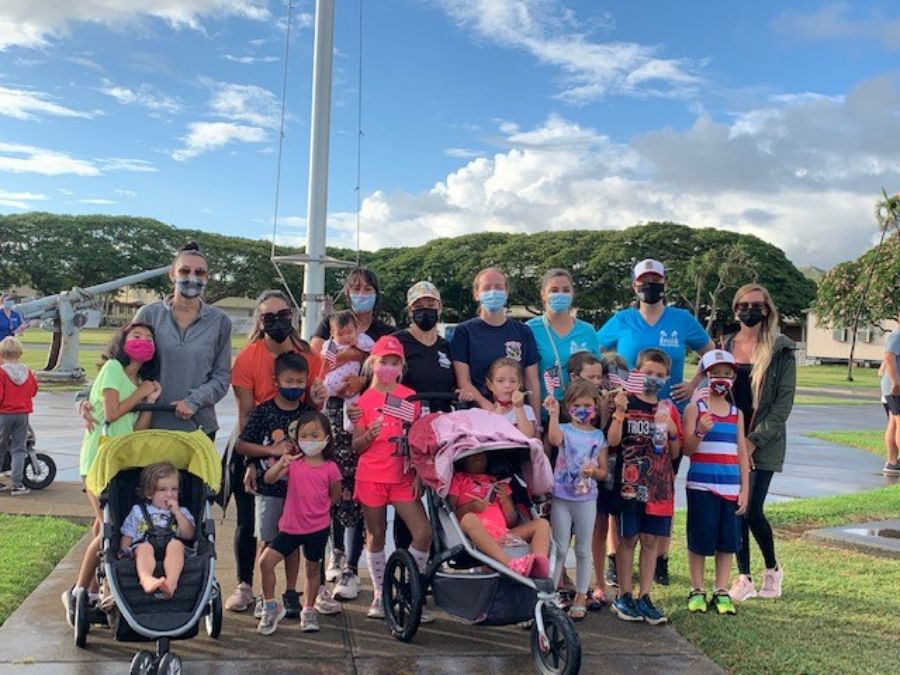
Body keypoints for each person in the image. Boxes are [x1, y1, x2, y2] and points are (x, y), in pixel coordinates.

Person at [597, 258, 714, 586]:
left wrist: (693, 384)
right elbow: (597, 350)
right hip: (631, 413)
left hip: (667, 415)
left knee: (663, 489)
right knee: (623, 487)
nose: (650, 286)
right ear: (635, 285)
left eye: (656, 280)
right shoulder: (623, 319)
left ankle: (660, 557)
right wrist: (612, 386)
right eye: (643, 280)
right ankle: (613, 556)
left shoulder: (682, 319)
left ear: (665, 283)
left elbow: (710, 353)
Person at [229, 289, 326, 614]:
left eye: (283, 315)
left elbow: (313, 409)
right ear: (260, 321)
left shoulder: (310, 358)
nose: (277, 322)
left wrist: (319, 397)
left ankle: (302, 590)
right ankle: (246, 586)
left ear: (294, 317)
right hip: (256, 442)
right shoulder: (248, 357)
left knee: (302, 521)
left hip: (299, 450)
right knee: (251, 522)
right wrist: (252, 460)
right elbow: (245, 415)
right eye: (269, 317)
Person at [62, 324, 161, 623]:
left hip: (123, 459)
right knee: (109, 528)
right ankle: (79, 592)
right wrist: (142, 393)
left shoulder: (142, 379)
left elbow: (137, 432)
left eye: (148, 338)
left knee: (101, 524)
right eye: (136, 336)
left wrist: (150, 404)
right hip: (99, 459)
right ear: (122, 341)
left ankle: (94, 590)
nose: (142, 341)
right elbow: (112, 413)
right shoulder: (113, 369)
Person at [310, 268, 393, 593]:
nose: (361, 292)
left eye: (367, 287)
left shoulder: (385, 329)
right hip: (331, 413)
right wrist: (360, 354)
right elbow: (321, 355)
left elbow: (388, 362)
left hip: (366, 415)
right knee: (330, 481)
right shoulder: (330, 320)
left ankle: (351, 566)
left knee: (358, 490)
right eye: (355, 287)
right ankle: (336, 553)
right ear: (346, 292)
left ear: (376, 292)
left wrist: (363, 376)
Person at [351, 335, 433, 620]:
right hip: (371, 477)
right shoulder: (362, 400)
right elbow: (356, 447)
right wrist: (367, 435)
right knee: (376, 535)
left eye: (394, 362)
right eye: (383, 361)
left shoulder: (409, 398)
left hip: (402, 477)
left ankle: (408, 588)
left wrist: (419, 474)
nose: (388, 367)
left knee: (423, 533)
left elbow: (419, 441)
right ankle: (380, 592)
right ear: (372, 363)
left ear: (402, 365)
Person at [722, 284, 795, 602]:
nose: (749, 310)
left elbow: (782, 405)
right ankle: (744, 578)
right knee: (736, 509)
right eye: (743, 304)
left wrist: (752, 442)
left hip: (762, 441)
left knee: (751, 509)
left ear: (767, 310)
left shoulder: (780, 349)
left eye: (757, 305)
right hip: (728, 439)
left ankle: (772, 569)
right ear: (735, 308)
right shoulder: (725, 344)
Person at [606, 349, 681, 625]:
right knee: (628, 539)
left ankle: (645, 595)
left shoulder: (667, 408)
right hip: (630, 484)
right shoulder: (627, 402)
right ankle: (624, 594)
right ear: (636, 373)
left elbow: (674, 453)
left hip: (659, 485)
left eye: (660, 375)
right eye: (648, 372)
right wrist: (619, 412)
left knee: (651, 541)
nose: (653, 379)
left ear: (668, 378)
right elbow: (612, 442)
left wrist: (672, 429)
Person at [257, 412, 342, 635]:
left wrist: (320, 511)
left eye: (315, 435)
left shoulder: (331, 468)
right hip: (290, 528)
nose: (310, 440)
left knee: (313, 568)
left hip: (317, 528)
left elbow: (335, 496)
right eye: (304, 436)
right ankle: (269, 606)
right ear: (297, 440)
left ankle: (309, 609)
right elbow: (268, 479)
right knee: (266, 562)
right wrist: (281, 464)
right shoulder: (294, 463)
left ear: (327, 437)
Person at [682, 350, 750, 615]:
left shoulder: (736, 413)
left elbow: (741, 452)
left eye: (727, 374)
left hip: (731, 488)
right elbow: (688, 449)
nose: (721, 380)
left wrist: (745, 488)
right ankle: (697, 588)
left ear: (733, 378)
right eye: (715, 374)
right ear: (705, 376)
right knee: (699, 539)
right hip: (702, 486)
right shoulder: (695, 409)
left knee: (727, 542)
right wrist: (700, 430)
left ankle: (721, 590)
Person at [544, 380, 608, 620]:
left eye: (588, 405)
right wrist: (552, 415)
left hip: (586, 499)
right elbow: (553, 439)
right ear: (568, 406)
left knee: (582, 549)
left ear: (595, 408)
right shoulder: (564, 430)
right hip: (562, 497)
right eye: (577, 405)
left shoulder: (598, 436)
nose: (583, 410)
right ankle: (550, 595)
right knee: (559, 547)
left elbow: (604, 472)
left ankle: (581, 595)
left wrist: (595, 473)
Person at [451, 267, 541, 416]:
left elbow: (531, 382)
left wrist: (536, 424)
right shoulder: (464, 331)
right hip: (480, 414)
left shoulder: (523, 331)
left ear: (506, 292)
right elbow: (464, 381)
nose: (493, 292)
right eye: (487, 287)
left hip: (518, 416)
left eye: (498, 287)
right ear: (476, 294)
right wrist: (489, 407)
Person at [448, 451, 551, 578]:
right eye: (471, 455)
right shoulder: (459, 478)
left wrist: (506, 501)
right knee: (469, 519)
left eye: (481, 453)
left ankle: (538, 564)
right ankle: (510, 564)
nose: (477, 456)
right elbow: (451, 511)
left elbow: (511, 521)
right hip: (476, 535)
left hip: (503, 534)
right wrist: (471, 507)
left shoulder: (498, 482)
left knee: (542, 524)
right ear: (462, 460)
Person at [567, 351, 617, 607]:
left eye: (600, 377)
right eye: (591, 377)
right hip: (566, 484)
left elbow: (607, 437)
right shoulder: (568, 409)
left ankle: (598, 583)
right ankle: (565, 582)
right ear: (574, 377)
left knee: (599, 527)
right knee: (565, 533)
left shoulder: (604, 403)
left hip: (596, 478)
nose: (597, 382)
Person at [121, 462, 196, 598]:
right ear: (149, 493)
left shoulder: (182, 512)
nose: (170, 494)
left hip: (171, 543)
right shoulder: (138, 511)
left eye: (174, 489)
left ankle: (171, 582)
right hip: (144, 544)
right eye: (162, 490)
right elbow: (129, 533)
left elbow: (189, 535)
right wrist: (123, 551)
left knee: (177, 545)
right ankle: (146, 579)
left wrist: (177, 513)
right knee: (143, 549)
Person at [526, 268, 600, 404]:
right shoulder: (529, 329)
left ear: (573, 293)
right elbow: (528, 379)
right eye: (554, 290)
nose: (560, 295)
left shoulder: (588, 331)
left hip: (580, 413)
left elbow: (597, 373)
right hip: (545, 413)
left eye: (566, 290)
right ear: (543, 294)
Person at [393, 281, 456, 410]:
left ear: (439, 307)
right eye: (418, 306)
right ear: (410, 310)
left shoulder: (447, 347)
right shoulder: (395, 343)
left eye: (430, 305)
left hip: (444, 421)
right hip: (406, 421)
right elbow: (380, 389)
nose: (425, 310)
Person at [0, 337, 39, 496]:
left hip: (3, 414)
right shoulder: (27, 372)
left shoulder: (2, 372)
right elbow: (33, 391)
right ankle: (17, 483)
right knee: (18, 448)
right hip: (22, 414)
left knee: (1, 446)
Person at [321, 310, 375, 401]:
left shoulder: (361, 338)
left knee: (353, 400)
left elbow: (372, 346)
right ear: (332, 333)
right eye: (340, 334)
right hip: (334, 379)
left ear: (356, 329)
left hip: (353, 381)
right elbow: (325, 356)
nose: (346, 337)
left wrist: (357, 343)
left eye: (349, 333)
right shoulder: (332, 343)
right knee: (325, 389)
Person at [485, 357, 538, 438]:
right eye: (500, 381)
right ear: (490, 385)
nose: (507, 385)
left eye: (513, 381)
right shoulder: (487, 412)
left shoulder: (526, 410)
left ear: (519, 385)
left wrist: (519, 408)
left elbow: (528, 436)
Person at [880, 317, 900, 474]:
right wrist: (895, 382)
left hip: (892, 387)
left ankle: (892, 462)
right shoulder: (897, 335)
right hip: (896, 388)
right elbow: (889, 357)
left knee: (894, 422)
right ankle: (892, 462)